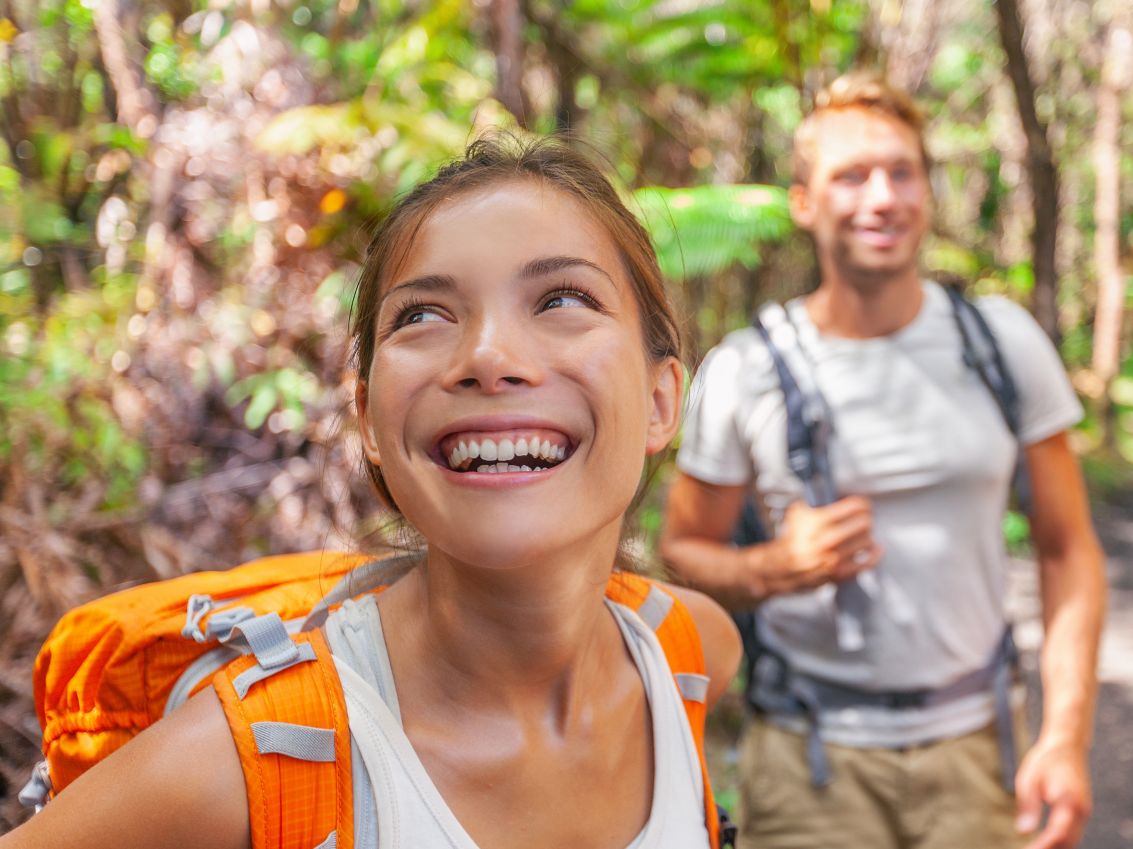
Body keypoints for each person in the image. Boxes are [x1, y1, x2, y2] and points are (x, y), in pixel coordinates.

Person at [2, 135, 741, 849]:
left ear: (658, 400)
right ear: (370, 421)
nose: (488, 356)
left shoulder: (688, 650)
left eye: (561, 299)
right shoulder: (246, 760)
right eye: (423, 314)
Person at [659, 73, 1106, 849]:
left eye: (902, 172)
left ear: (928, 191)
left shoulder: (999, 342)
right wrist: (773, 568)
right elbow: (682, 552)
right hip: (806, 756)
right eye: (850, 176)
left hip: (979, 746)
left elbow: (1067, 548)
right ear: (803, 202)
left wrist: (1064, 736)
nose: (881, 197)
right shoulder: (743, 368)